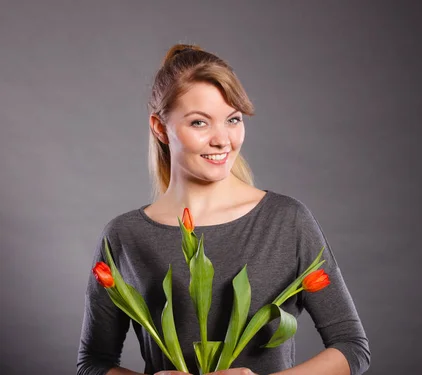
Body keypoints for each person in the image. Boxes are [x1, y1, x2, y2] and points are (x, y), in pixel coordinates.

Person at [77, 43, 370, 375]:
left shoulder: (286, 221)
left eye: (233, 119)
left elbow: (352, 348)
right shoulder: (124, 235)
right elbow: (92, 364)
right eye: (200, 123)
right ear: (160, 128)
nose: (222, 140)